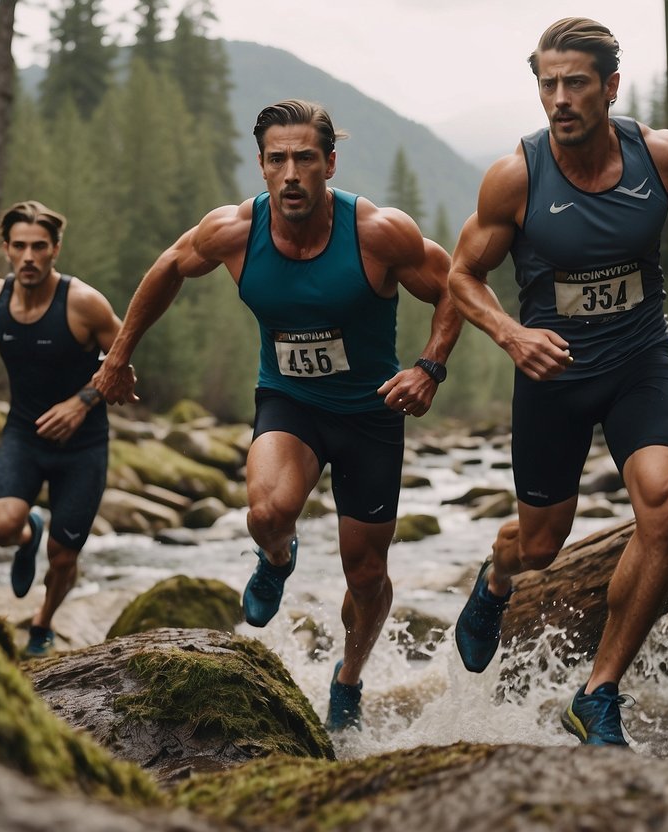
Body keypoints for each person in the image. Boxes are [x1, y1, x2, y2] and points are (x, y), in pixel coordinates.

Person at [92, 99, 462, 732]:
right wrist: (119, 355)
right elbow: (168, 268)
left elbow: (456, 284)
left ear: (329, 164)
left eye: (305, 158)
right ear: (261, 165)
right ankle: (278, 558)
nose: (291, 172)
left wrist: (429, 366)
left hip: (371, 414)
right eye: (277, 159)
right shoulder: (234, 231)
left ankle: (349, 676)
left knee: (367, 574)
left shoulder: (377, 232)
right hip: (290, 401)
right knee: (266, 511)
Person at [448, 17, 668, 747]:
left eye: (575, 83)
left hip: (639, 360)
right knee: (541, 544)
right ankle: (495, 576)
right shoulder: (517, 176)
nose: (560, 98)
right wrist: (511, 335)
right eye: (548, 84)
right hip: (553, 375)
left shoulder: (658, 154)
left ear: (608, 86)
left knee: (665, 505)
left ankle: (597, 692)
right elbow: (461, 275)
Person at [0, 200, 123, 658]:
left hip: (82, 447)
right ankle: (28, 531)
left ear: (55, 250)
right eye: (20, 246)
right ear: (5, 248)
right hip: (24, 435)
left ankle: (43, 623)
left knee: (64, 556)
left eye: (39, 247)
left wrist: (82, 401)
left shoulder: (84, 303)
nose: (29, 256)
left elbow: (124, 361)